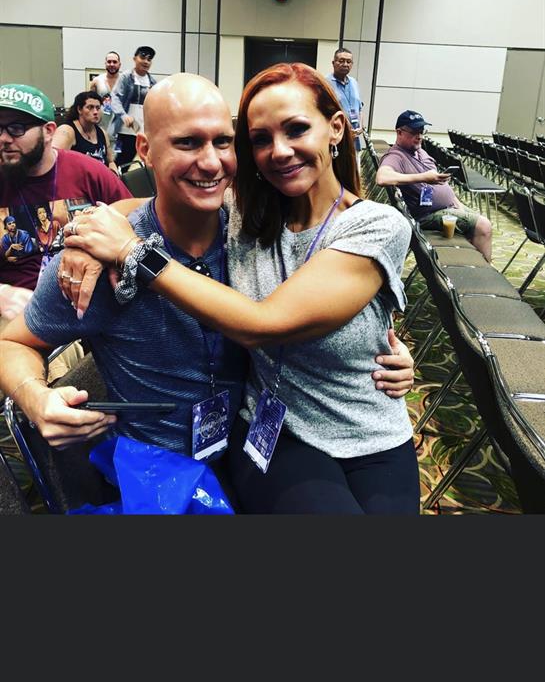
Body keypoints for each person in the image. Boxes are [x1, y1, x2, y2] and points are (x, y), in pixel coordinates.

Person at [0, 73, 414, 514]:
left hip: (247, 448)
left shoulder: (247, 227)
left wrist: (374, 345)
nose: (212, 162)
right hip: (159, 477)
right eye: (187, 143)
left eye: (223, 142)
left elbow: (288, 310)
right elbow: (12, 342)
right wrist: (35, 396)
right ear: (145, 151)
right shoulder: (99, 258)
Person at [0, 82, 130, 327]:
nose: (4, 139)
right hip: (17, 311)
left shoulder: (88, 172)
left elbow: (136, 222)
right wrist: (3, 295)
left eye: (16, 128)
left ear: (49, 131)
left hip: (89, 303)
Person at [376, 110, 493, 261]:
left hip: (446, 208)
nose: (419, 136)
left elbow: (442, 186)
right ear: (399, 132)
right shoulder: (396, 156)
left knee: (479, 224)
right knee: (483, 226)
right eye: (414, 132)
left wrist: (457, 204)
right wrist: (424, 177)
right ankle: (483, 275)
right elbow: (382, 178)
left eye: (421, 131)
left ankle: (474, 265)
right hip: (427, 216)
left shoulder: (421, 152)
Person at [109, 47, 157, 168]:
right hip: (126, 129)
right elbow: (115, 97)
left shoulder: (152, 82)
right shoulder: (126, 77)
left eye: (149, 59)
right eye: (142, 57)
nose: (146, 61)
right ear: (134, 59)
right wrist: (123, 115)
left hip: (142, 129)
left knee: (145, 161)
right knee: (122, 161)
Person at [52, 91, 118, 171]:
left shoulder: (102, 133)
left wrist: (114, 175)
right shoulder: (67, 131)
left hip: (99, 180)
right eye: (90, 107)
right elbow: (53, 161)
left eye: (98, 108)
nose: (95, 112)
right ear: (79, 109)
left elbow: (111, 162)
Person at [328, 47, 365, 153]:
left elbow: (360, 108)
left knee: (353, 168)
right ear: (333, 63)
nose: (345, 64)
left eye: (349, 62)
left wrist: (361, 127)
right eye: (341, 61)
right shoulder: (325, 83)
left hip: (354, 139)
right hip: (337, 139)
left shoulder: (354, 82)